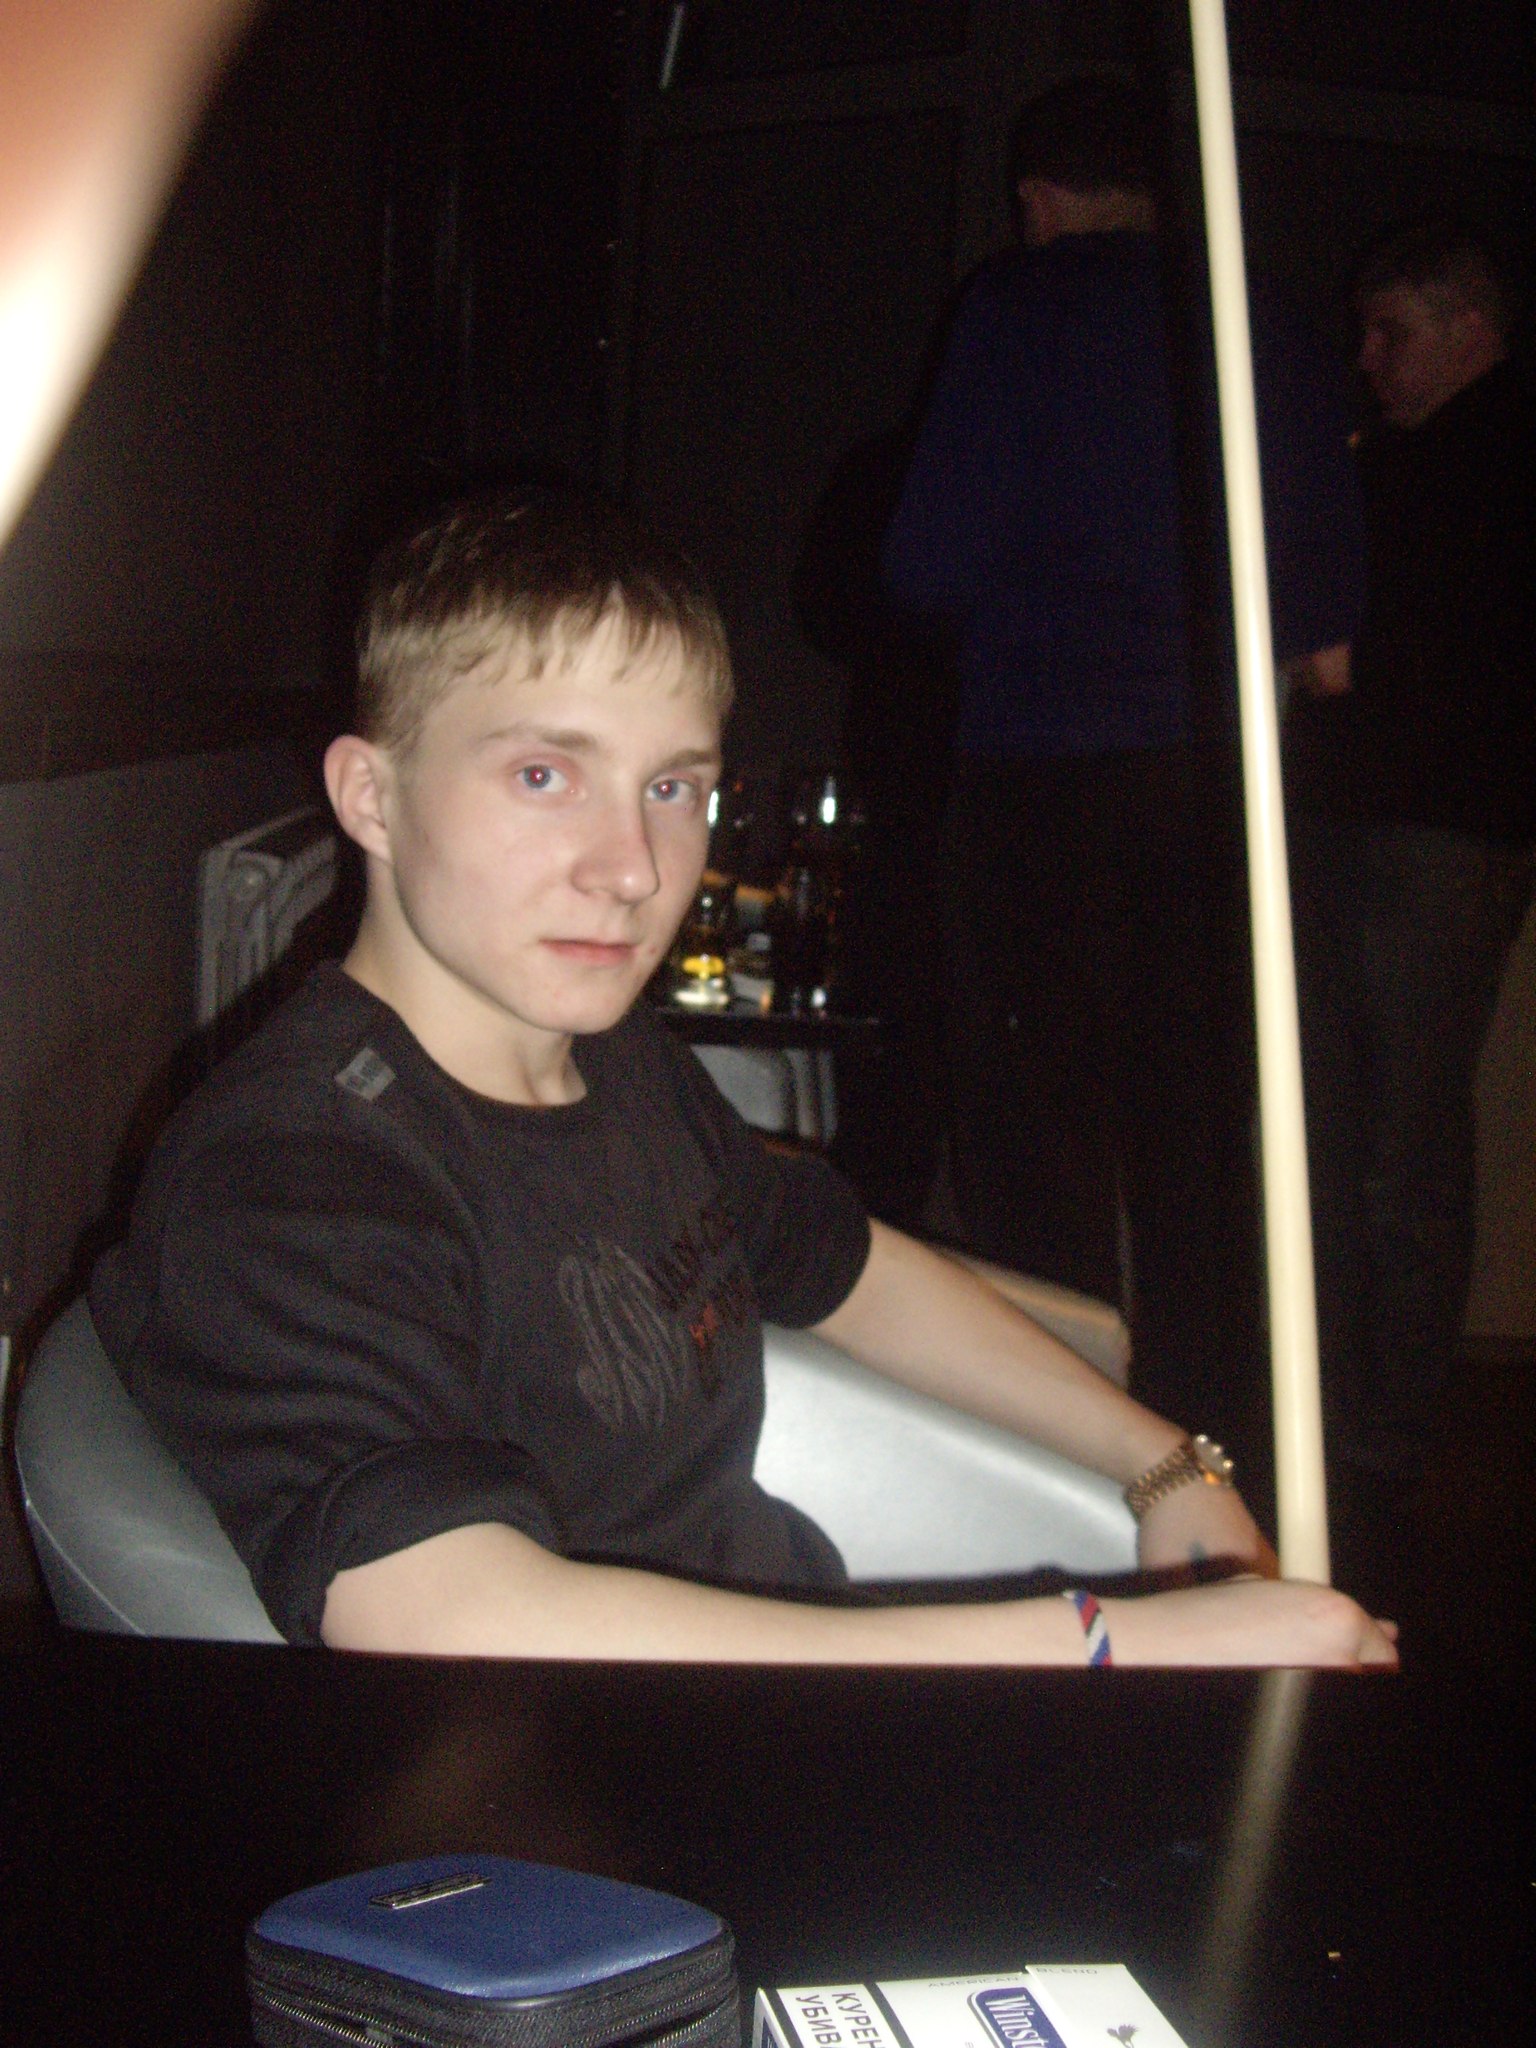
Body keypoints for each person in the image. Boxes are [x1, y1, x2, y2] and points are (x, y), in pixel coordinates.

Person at [90, 489, 1393, 1667]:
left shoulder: (619, 1064)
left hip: (791, 1685)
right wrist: (1105, 1641)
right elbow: (434, 1607)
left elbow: (849, 1268)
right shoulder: (296, 1169)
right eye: (543, 774)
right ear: (371, 797)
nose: (634, 867)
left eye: (673, 787)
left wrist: (1167, 1467)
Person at [881, 76, 1362, 1453]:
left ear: (1037, 201)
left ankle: (1070, 1455)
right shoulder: (1260, 317)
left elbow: (926, 566)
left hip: (1042, 772)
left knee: (1036, 1142)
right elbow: (1329, 633)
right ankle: (1214, 1463)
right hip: (1216, 791)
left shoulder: (1016, 308)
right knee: (1204, 1145)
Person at [1285, 224, 1534, 1504]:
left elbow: (1483, 650)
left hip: (1439, 828)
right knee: (1347, 1129)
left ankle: (1389, 1417)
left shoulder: (1501, 453)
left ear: (1469, 326)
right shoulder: (1398, 457)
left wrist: (1350, 665)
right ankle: (1343, 1403)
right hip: (1367, 815)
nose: (1369, 357)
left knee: (1400, 1137)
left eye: (1393, 331)